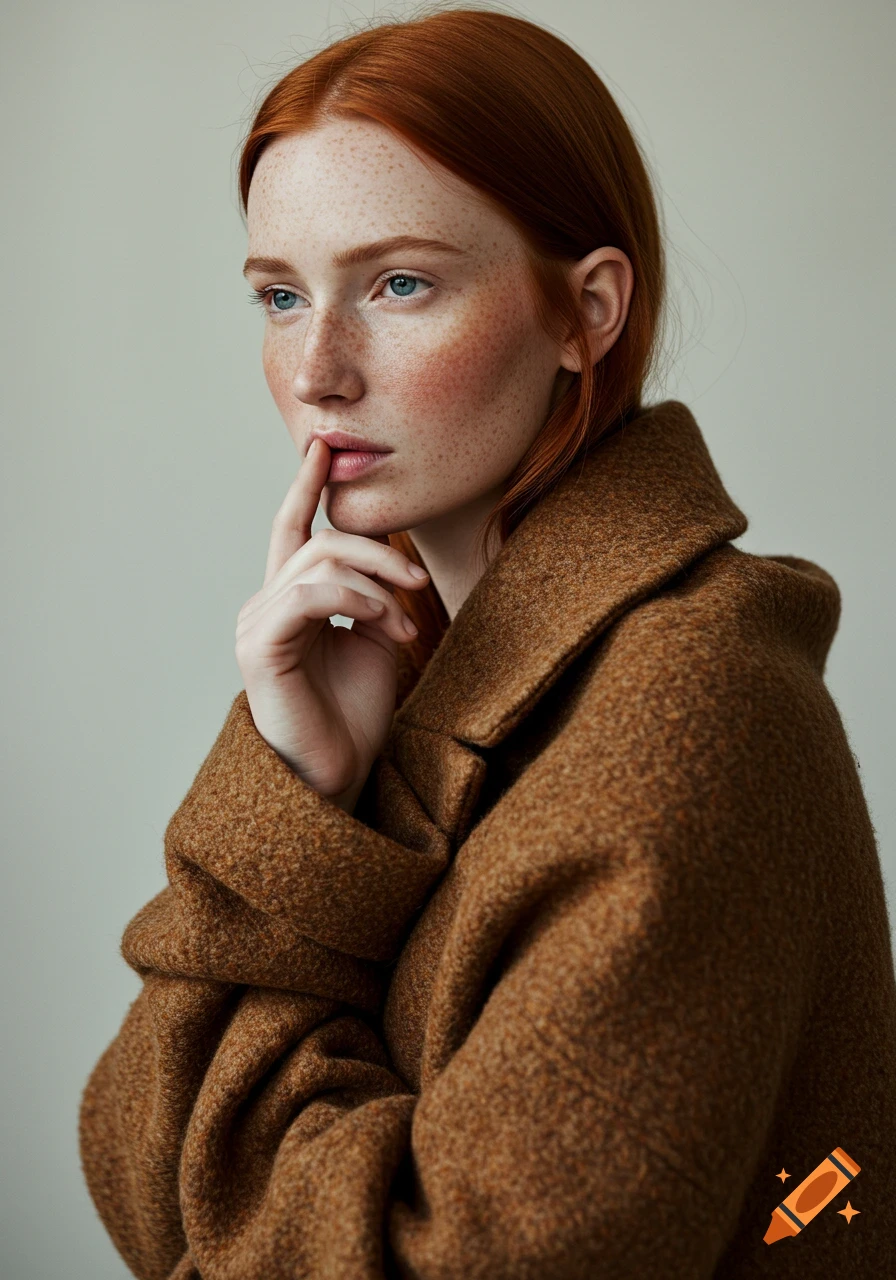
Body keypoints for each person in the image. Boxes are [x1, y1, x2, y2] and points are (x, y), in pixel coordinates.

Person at [78, 7, 896, 1277]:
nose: (317, 371)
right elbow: (137, 1165)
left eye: (399, 283)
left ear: (586, 313)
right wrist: (306, 793)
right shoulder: (414, 676)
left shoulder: (689, 709)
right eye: (279, 295)